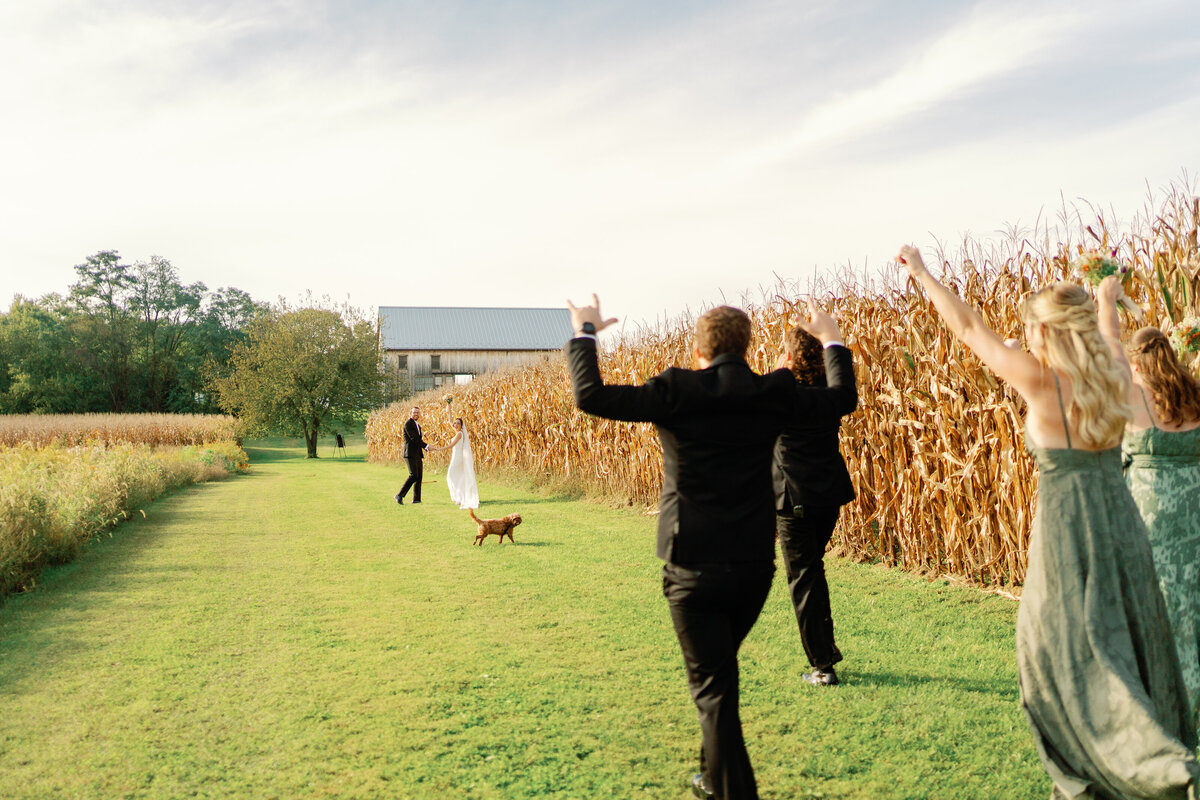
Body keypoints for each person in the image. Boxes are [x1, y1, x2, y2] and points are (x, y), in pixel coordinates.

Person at [899, 245, 1199, 799]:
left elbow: (966, 326)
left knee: (1053, 654)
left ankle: (1129, 769)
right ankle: (1152, 754)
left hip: (1067, 530)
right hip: (1122, 523)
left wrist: (921, 272)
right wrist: (1106, 296)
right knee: (1127, 637)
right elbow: (1107, 326)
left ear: (1045, 332)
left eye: (1032, 331)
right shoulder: (1113, 366)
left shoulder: (1039, 381)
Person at [565, 294, 856, 800]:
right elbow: (842, 399)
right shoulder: (774, 392)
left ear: (699, 349)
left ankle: (730, 789)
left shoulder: (677, 390)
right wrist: (831, 339)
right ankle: (708, 776)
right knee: (719, 679)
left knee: (714, 689)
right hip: (751, 571)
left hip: (692, 569)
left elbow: (590, 396)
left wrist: (586, 334)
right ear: (746, 348)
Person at [1096, 278, 1200, 731]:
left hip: (1148, 521)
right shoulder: (1195, 395)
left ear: (1137, 363)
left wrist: (1105, 299)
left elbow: (1109, 352)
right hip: (1194, 520)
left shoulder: (1134, 397)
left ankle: (1153, 707)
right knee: (1190, 613)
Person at [772, 326, 856, 687]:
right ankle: (826, 651)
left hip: (795, 502)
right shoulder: (828, 394)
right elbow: (846, 392)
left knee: (803, 579)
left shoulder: (779, 395)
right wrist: (833, 341)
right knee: (813, 570)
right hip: (828, 498)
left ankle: (822, 666)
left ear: (789, 356)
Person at [432, 417, 479, 510]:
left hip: (458, 457)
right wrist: (449, 405)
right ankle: (461, 497)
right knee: (458, 477)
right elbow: (450, 421)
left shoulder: (459, 434)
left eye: (458, 423)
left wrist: (438, 449)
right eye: (455, 423)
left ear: (461, 425)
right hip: (456, 455)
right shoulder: (458, 432)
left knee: (450, 476)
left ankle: (461, 497)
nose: (455, 425)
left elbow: (451, 445)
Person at [394, 406, 430, 504]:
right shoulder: (408, 424)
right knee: (413, 475)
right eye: (414, 413)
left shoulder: (417, 425)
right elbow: (414, 439)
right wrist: (426, 446)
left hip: (418, 454)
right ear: (410, 413)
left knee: (419, 477)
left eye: (417, 413)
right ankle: (399, 495)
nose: (416, 414)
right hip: (409, 454)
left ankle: (417, 499)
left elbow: (419, 440)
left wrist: (426, 447)